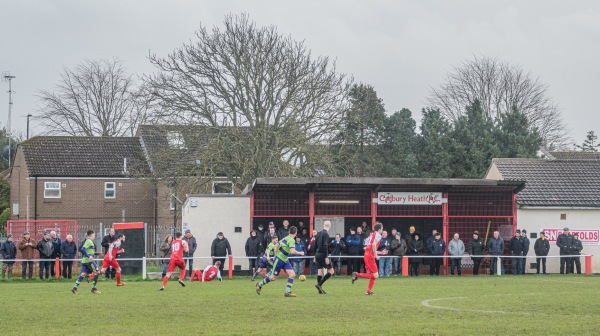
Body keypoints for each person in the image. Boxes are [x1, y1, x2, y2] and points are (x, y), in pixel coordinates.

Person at [256, 226, 304, 297]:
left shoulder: (286, 238)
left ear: (289, 232)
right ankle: (259, 284)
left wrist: (275, 254)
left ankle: (287, 292)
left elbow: (277, 245)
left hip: (285, 260)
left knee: (292, 274)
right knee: (273, 277)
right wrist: (300, 253)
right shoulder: (291, 240)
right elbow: (292, 251)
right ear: (296, 232)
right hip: (279, 260)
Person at [352, 223, 384, 295]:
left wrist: (381, 252)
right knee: (375, 275)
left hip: (367, 254)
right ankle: (356, 274)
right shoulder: (378, 235)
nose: (382, 230)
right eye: (382, 229)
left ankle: (368, 291)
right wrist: (376, 255)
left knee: (373, 275)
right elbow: (373, 245)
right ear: (379, 229)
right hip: (370, 256)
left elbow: (370, 247)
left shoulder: (371, 235)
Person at [314, 221, 334, 294]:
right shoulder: (326, 234)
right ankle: (319, 285)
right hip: (323, 254)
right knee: (331, 271)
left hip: (317, 254)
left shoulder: (319, 233)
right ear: (330, 226)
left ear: (323, 225)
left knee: (320, 271)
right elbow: (325, 246)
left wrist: (314, 256)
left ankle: (320, 291)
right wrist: (326, 257)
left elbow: (315, 245)